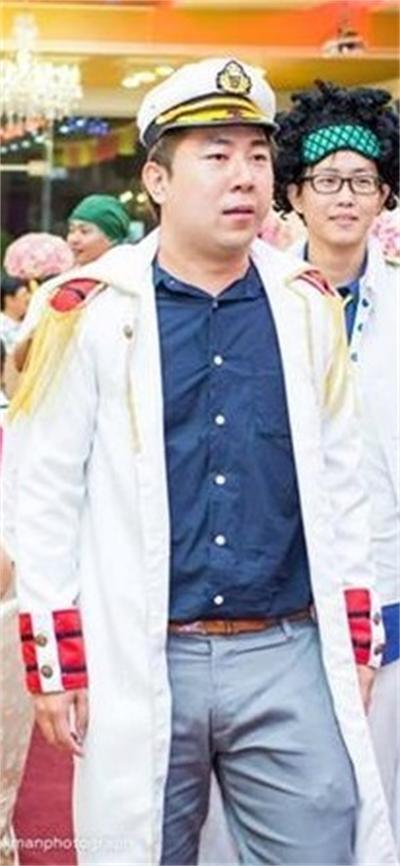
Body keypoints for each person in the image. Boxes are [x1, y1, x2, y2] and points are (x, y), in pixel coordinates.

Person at [6, 58, 396, 866]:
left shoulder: (305, 304)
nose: (244, 177)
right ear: (157, 179)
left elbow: (342, 486)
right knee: (143, 848)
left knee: (321, 845)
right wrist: (54, 658)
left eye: (257, 156)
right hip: (142, 648)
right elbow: (42, 493)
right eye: (216, 156)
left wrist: (357, 642)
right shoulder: (86, 309)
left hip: (287, 645)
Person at [274, 79, 399, 850]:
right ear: (294, 193)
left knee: (382, 799)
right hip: (281, 600)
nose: (345, 197)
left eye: (362, 180)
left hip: (388, 591)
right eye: (327, 180)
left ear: (386, 195)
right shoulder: (261, 299)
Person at [12, 195, 131, 375]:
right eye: (72, 230)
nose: (73, 239)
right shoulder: (53, 290)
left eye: (85, 231)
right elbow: (20, 361)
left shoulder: (133, 285)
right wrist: (42, 333)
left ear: (112, 237)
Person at [0, 274, 30, 353]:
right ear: (9, 300)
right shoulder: (2, 327)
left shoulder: (28, 319)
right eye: (24, 295)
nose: (29, 297)